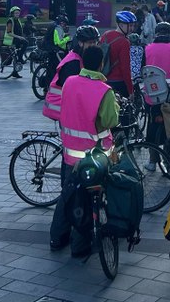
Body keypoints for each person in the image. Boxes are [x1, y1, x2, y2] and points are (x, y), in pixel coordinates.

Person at [49, 45, 120, 256]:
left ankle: (57, 238)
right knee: (90, 200)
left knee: (68, 196)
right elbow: (110, 120)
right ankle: (81, 245)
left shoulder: (70, 82)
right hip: (94, 156)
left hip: (70, 154)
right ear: (101, 64)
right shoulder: (104, 90)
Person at [44, 24, 100, 120]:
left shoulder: (81, 56)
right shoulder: (72, 63)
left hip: (67, 105)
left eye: (95, 42)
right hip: (61, 107)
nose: (93, 46)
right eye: (90, 43)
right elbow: (74, 91)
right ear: (80, 43)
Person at [98, 10, 136, 97]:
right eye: (130, 25)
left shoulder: (105, 35)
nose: (132, 29)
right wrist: (130, 91)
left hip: (104, 80)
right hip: (119, 82)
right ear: (121, 24)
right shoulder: (124, 42)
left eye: (133, 25)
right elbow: (125, 68)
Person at [3, 6, 28, 78]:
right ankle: (20, 58)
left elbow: (19, 30)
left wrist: (22, 36)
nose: (17, 14)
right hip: (11, 40)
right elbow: (9, 32)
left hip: (17, 39)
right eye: (16, 13)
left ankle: (15, 72)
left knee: (15, 56)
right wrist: (19, 37)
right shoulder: (10, 21)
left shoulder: (18, 20)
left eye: (18, 13)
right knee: (25, 43)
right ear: (12, 14)